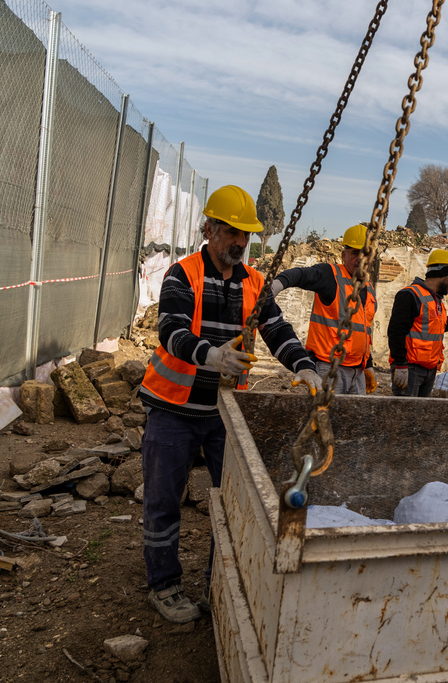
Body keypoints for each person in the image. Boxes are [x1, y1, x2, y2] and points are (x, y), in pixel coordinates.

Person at [138, 185, 322, 624]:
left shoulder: (255, 283)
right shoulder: (182, 275)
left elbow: (278, 330)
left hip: (223, 412)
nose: (240, 242)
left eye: (246, 236)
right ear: (210, 229)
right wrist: (213, 355)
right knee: (164, 501)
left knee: (232, 502)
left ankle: (214, 582)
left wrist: (304, 365)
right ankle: (163, 585)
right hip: (172, 407)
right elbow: (172, 332)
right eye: (231, 232)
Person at [271, 224, 377, 394]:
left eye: (365, 254)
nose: (360, 259)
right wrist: (275, 286)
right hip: (329, 369)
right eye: (355, 253)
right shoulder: (331, 275)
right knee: (324, 418)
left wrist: (369, 365)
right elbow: (300, 275)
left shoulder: (369, 289)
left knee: (356, 419)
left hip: (357, 372)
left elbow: (363, 332)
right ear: (344, 255)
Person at [387, 249, 448, 397]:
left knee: (421, 416)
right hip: (410, 369)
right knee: (405, 416)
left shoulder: (435, 300)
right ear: (443, 273)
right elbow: (395, 331)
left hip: (429, 370)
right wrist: (400, 365)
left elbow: (441, 326)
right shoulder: (410, 295)